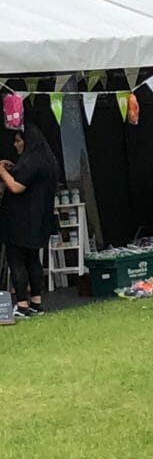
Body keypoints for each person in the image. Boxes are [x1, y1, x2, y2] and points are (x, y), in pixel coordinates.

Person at [0, 124, 60, 318]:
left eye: (18, 141)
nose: (15, 145)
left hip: (20, 220)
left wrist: (1, 171)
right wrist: (12, 168)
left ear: (28, 142)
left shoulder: (32, 160)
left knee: (16, 260)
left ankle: (22, 304)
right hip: (38, 220)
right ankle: (36, 302)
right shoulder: (47, 160)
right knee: (33, 260)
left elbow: (17, 187)